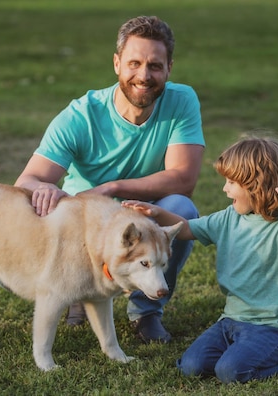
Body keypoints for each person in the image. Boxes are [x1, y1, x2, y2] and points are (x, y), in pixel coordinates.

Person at [14, 16, 205, 343]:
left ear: (169, 68)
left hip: (140, 212)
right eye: (134, 63)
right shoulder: (80, 116)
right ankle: (77, 290)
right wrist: (44, 187)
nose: (144, 75)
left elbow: (183, 179)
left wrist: (114, 188)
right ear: (117, 63)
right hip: (82, 220)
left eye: (155, 66)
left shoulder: (181, 100)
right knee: (36, 216)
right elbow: (26, 181)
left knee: (181, 209)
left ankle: (145, 311)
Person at [122, 136, 278, 384]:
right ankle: (242, 351)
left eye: (231, 182)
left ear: (256, 185)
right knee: (191, 367)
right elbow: (188, 229)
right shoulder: (229, 217)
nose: (225, 188)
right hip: (231, 322)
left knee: (230, 372)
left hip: (274, 328)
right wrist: (157, 212)